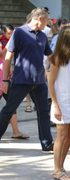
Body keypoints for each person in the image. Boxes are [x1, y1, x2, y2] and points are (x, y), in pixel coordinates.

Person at [0, 8, 54, 152]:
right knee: (8, 110)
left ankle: (47, 144)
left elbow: (51, 56)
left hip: (40, 82)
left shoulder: (42, 36)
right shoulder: (19, 32)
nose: (48, 24)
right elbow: (8, 57)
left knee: (43, 112)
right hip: (21, 81)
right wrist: (5, 81)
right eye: (47, 20)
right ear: (40, 19)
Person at [49, 26, 70, 180]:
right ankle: (56, 170)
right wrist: (55, 104)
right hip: (62, 102)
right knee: (61, 136)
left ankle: (61, 166)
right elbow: (51, 83)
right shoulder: (57, 58)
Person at [0, 24, 29, 139]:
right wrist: (10, 42)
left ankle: (16, 131)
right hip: (1, 78)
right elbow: (2, 55)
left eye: (12, 34)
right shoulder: (3, 42)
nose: (11, 36)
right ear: (3, 33)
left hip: (6, 77)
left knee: (12, 103)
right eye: (8, 34)